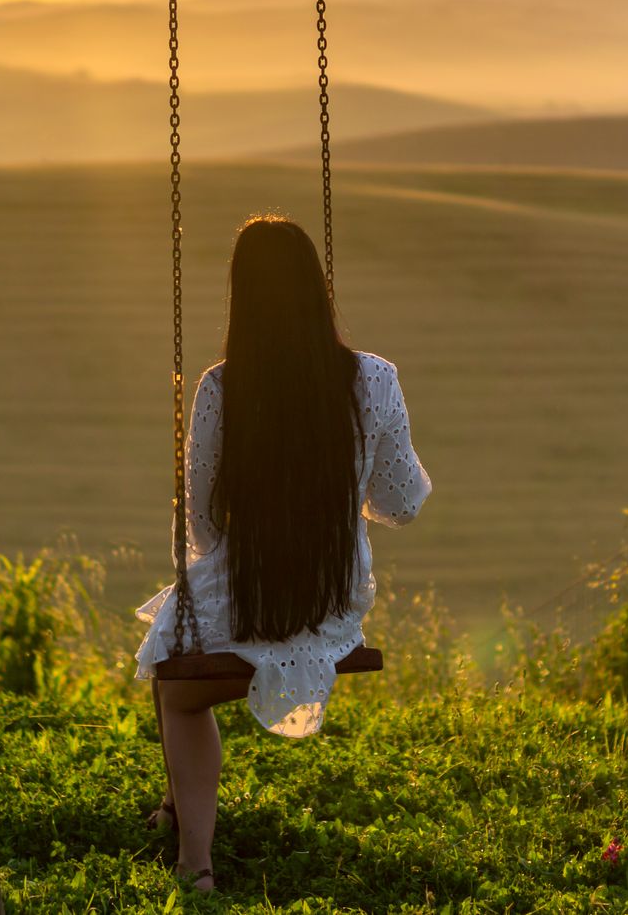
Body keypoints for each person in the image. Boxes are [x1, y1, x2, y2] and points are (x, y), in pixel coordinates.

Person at [133, 215, 431, 892]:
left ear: (242, 298)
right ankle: (176, 809)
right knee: (169, 642)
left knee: (176, 684)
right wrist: (347, 497)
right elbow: (403, 503)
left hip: (252, 590)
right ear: (317, 290)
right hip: (333, 600)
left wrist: (240, 561)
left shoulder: (221, 387)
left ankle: (195, 862)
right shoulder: (375, 380)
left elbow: (202, 518)